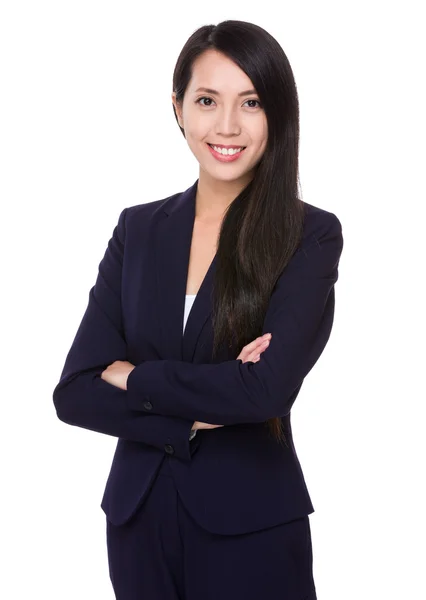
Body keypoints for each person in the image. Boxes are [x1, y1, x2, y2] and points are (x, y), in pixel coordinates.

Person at [53, 19, 344, 600]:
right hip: (137, 524)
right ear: (178, 108)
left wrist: (134, 376)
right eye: (207, 100)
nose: (228, 126)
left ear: (277, 113)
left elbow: (264, 392)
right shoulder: (138, 230)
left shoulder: (308, 235)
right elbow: (76, 391)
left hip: (251, 525)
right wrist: (197, 410)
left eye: (252, 102)